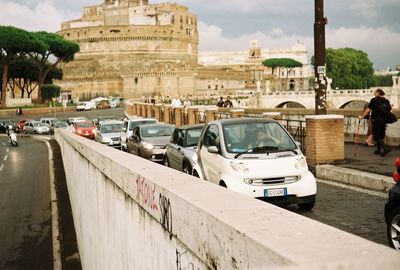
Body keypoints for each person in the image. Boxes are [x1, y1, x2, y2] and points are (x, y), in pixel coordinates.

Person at [359, 88, 392, 156]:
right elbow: (390, 111)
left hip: (376, 120)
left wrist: (362, 116)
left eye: (375, 92)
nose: (374, 93)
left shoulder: (374, 100)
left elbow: (368, 110)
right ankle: (379, 150)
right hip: (384, 120)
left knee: (377, 134)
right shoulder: (386, 100)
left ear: (378, 93)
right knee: (381, 134)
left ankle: (384, 148)